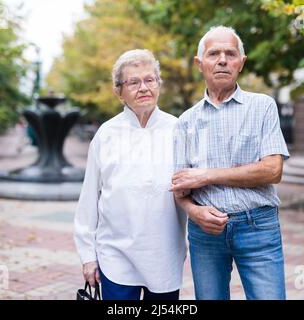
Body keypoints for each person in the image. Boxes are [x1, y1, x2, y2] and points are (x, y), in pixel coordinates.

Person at [170, 26, 289, 300]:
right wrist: (193, 212)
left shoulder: (263, 107)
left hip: (258, 226)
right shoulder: (185, 122)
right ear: (200, 64)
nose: (222, 60)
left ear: (241, 63)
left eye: (230, 53)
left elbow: (273, 170)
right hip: (205, 232)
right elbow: (180, 188)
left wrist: (206, 176)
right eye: (214, 54)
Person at [74, 49, 187, 300]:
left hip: (164, 254)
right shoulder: (106, 134)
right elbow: (88, 199)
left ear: (159, 84)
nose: (144, 87)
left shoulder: (178, 130)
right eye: (133, 82)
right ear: (119, 91)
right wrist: (87, 256)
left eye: (150, 80)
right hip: (116, 256)